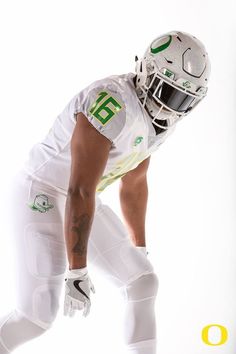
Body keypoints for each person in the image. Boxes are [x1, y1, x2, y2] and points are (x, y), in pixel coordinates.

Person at [0, 30, 210, 354]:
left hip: (80, 197)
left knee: (142, 281)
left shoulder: (161, 120)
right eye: (166, 92)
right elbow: (79, 188)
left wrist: (139, 247)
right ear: (147, 74)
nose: (170, 107)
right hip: (40, 191)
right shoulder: (112, 102)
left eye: (182, 99)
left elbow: (134, 182)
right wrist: (78, 269)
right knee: (37, 314)